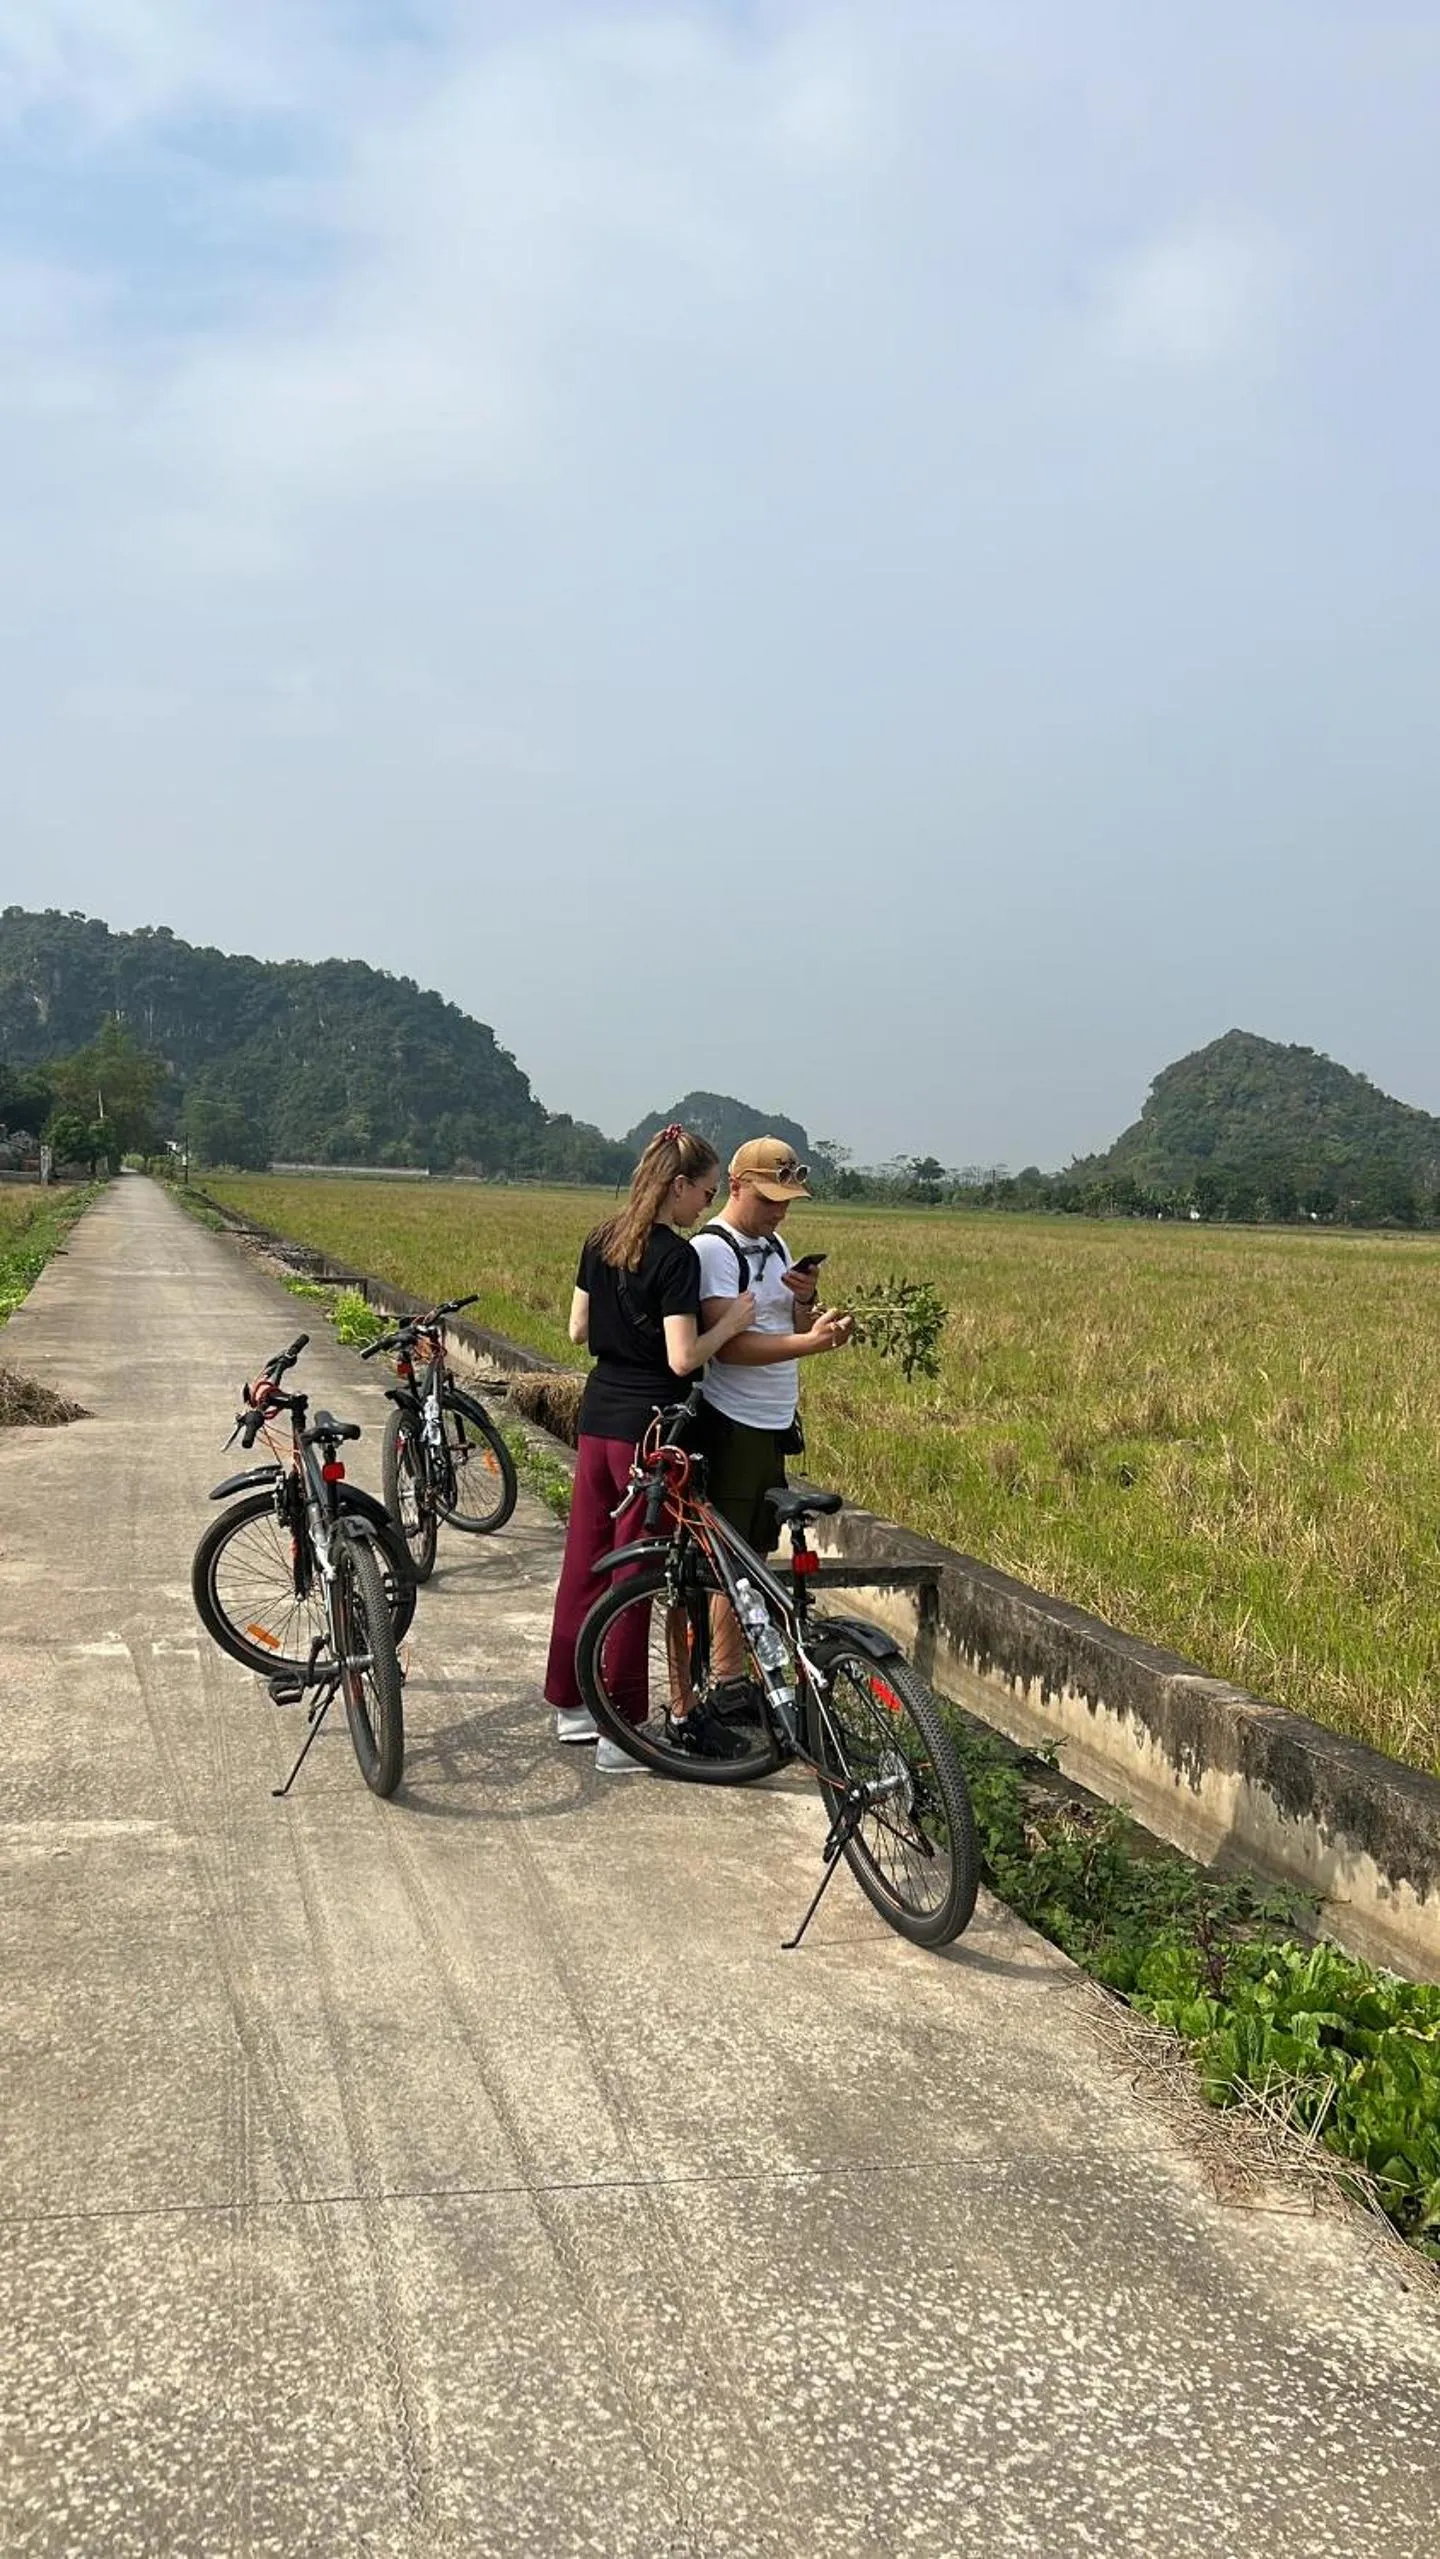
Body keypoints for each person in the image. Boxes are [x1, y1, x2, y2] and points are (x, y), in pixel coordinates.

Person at [542, 1126, 757, 1770]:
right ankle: (623, 1728)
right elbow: (682, 1356)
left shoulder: (599, 1240)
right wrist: (732, 1324)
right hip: (650, 1431)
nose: (705, 1207)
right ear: (677, 1186)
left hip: (597, 1416)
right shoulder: (676, 1257)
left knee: (585, 1560)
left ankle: (572, 1706)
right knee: (636, 1572)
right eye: (705, 1192)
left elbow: (578, 1329)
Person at [692, 1138, 853, 1691]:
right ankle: (727, 1681)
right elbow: (728, 1347)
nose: (780, 1211)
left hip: (771, 1421)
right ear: (736, 1186)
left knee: (757, 1553)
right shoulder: (713, 1252)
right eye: (768, 1199)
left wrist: (808, 1305)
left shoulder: (777, 1245)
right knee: (730, 1563)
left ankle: (743, 1673)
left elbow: (784, 1323)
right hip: (732, 1422)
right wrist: (811, 1344)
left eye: (786, 1200)